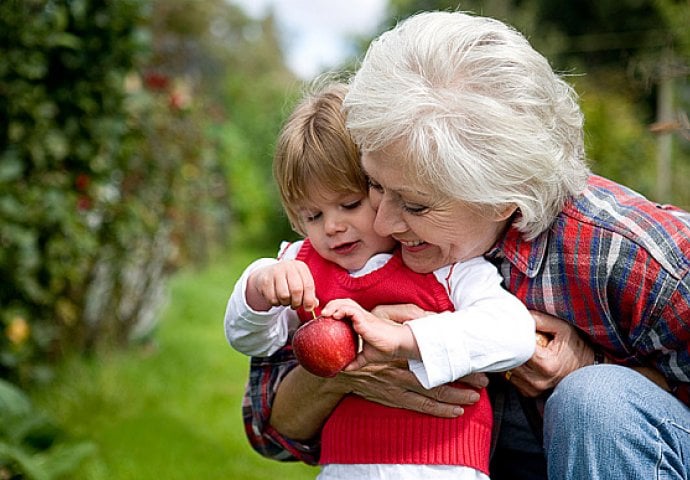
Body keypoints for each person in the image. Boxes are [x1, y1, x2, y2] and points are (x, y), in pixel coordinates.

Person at [239, 10, 690, 480]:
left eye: (415, 206)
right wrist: (346, 368)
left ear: (501, 199)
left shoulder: (631, 255)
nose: (385, 220)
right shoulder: (357, 242)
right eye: (373, 184)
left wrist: (586, 365)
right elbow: (268, 429)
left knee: (595, 401)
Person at [225, 80, 536, 479]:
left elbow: (514, 333)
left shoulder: (443, 263)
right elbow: (249, 339)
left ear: (384, 187)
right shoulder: (300, 267)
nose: (333, 227)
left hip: (444, 465)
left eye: (350, 204)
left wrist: (407, 341)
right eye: (312, 216)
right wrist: (258, 289)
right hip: (345, 467)